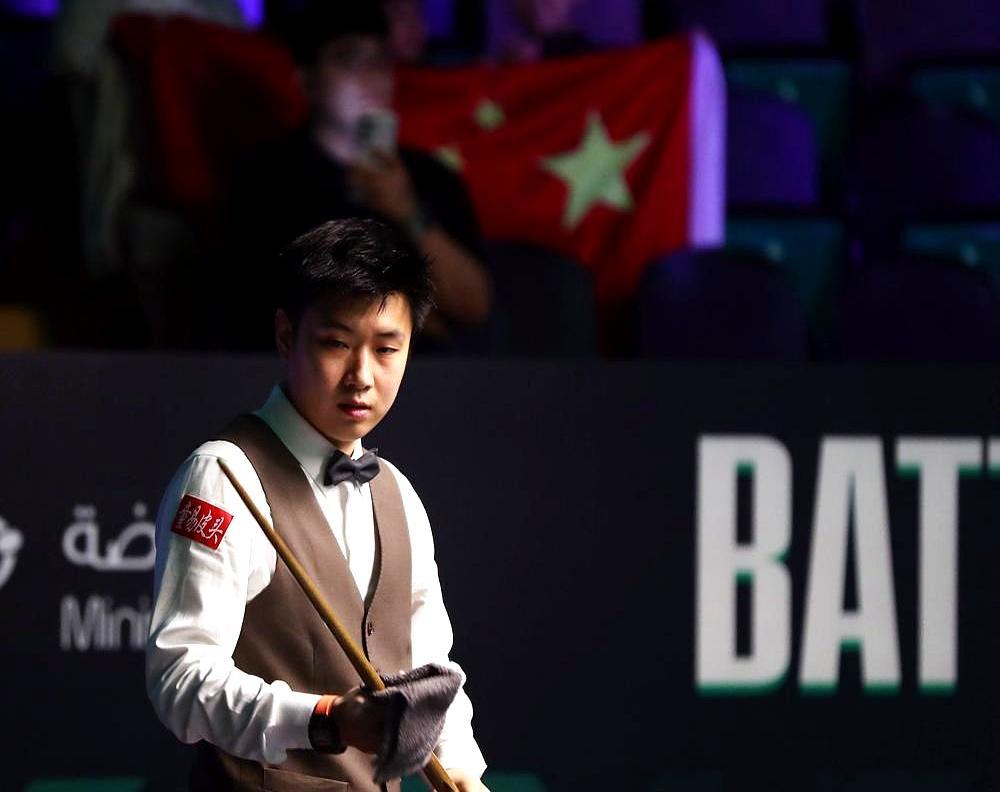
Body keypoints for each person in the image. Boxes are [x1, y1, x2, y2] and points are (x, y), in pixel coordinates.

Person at [146, 218, 489, 791]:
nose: (362, 376)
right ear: (287, 336)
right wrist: (326, 718)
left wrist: (461, 769)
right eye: (336, 343)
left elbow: (430, 673)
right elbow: (180, 680)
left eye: (386, 349)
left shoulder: (398, 495)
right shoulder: (223, 476)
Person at [227, 4, 492, 351]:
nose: (369, 73)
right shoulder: (267, 180)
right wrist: (412, 318)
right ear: (307, 81)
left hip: (423, 373)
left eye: (380, 59)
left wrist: (409, 213)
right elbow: (253, 307)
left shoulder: (431, 176)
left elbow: (474, 306)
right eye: (347, 59)